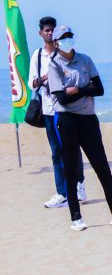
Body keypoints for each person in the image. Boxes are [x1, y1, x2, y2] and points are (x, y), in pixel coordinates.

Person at [47, 25, 112, 231]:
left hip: (88, 119)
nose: (67, 39)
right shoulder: (54, 65)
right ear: (56, 42)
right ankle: (76, 218)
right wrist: (84, 90)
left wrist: (77, 90)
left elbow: (99, 89)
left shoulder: (85, 60)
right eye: (63, 37)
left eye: (69, 36)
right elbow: (62, 98)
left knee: (102, 167)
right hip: (67, 120)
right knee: (71, 170)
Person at [27, 16, 86, 208]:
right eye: (47, 30)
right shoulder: (38, 56)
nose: (50, 33)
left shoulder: (64, 53)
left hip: (66, 108)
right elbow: (32, 83)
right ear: (41, 33)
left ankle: (79, 184)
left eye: (52, 30)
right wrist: (45, 78)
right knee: (56, 152)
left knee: (73, 148)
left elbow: (74, 77)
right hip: (48, 109)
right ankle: (62, 193)